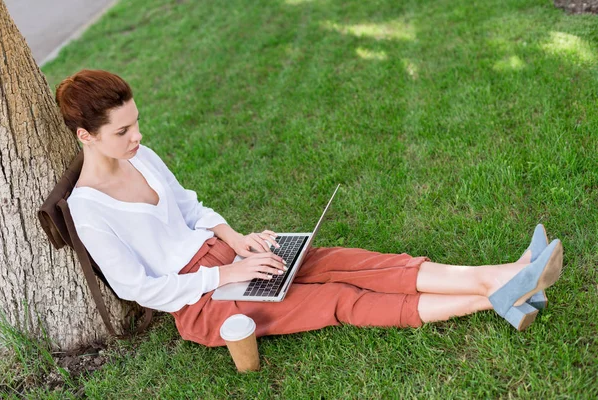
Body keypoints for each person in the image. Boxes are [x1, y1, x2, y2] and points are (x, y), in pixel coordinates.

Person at [55, 69, 564, 347]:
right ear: (86, 137)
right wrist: (225, 274)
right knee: (337, 298)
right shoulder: (89, 210)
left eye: (136, 122)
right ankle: (499, 290)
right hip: (201, 303)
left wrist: (237, 241)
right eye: (123, 131)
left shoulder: (142, 157)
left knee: (344, 261)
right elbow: (138, 288)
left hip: (227, 257)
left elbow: (190, 208)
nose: (138, 136)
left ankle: (505, 274)